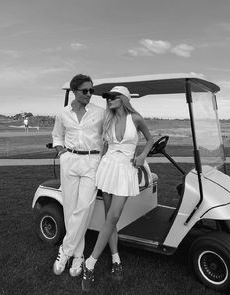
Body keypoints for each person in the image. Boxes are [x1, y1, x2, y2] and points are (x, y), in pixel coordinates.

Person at [81, 86, 154, 292]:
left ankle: (90, 262)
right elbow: (103, 146)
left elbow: (150, 140)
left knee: (113, 217)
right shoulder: (108, 119)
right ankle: (115, 259)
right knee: (109, 219)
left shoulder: (136, 118)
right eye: (107, 98)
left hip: (126, 169)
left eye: (113, 97)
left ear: (123, 99)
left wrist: (142, 156)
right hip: (108, 168)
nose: (109, 100)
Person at [52, 74, 105, 277]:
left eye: (91, 90)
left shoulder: (100, 112)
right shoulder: (63, 114)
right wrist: (60, 151)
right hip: (70, 161)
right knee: (70, 208)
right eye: (85, 91)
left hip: (92, 162)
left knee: (83, 208)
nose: (89, 94)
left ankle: (64, 251)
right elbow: (57, 135)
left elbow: (108, 135)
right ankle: (78, 255)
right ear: (74, 91)